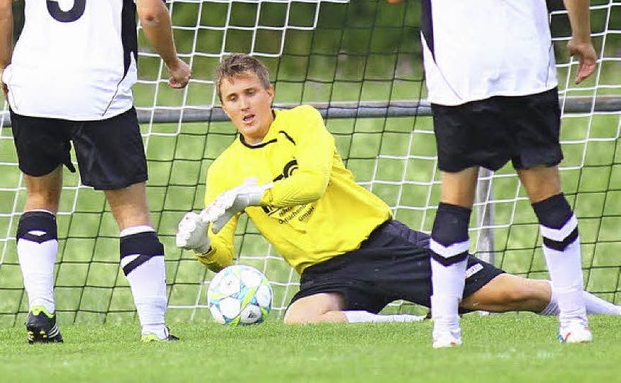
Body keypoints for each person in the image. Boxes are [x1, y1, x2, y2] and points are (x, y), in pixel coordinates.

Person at [380, 0, 598, 348]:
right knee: (546, 191)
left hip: (460, 69)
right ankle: (574, 321)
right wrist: (582, 39)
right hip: (525, 62)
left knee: (457, 197)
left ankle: (446, 328)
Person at [175, 54, 617, 327]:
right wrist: (202, 246)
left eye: (251, 93)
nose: (244, 105)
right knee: (301, 319)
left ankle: (612, 318)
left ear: (269, 93)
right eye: (233, 98)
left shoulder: (303, 121)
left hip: (381, 244)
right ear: (223, 106)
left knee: (513, 295)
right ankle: (408, 323)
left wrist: (252, 196)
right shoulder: (224, 169)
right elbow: (224, 258)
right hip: (326, 274)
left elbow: (310, 184)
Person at [0, 0, 191, 344]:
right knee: (131, 211)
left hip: (33, 86)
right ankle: (154, 328)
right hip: (98, 89)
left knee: (39, 198)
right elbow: (150, 11)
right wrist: (172, 62)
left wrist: (6, 69)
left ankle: (41, 310)